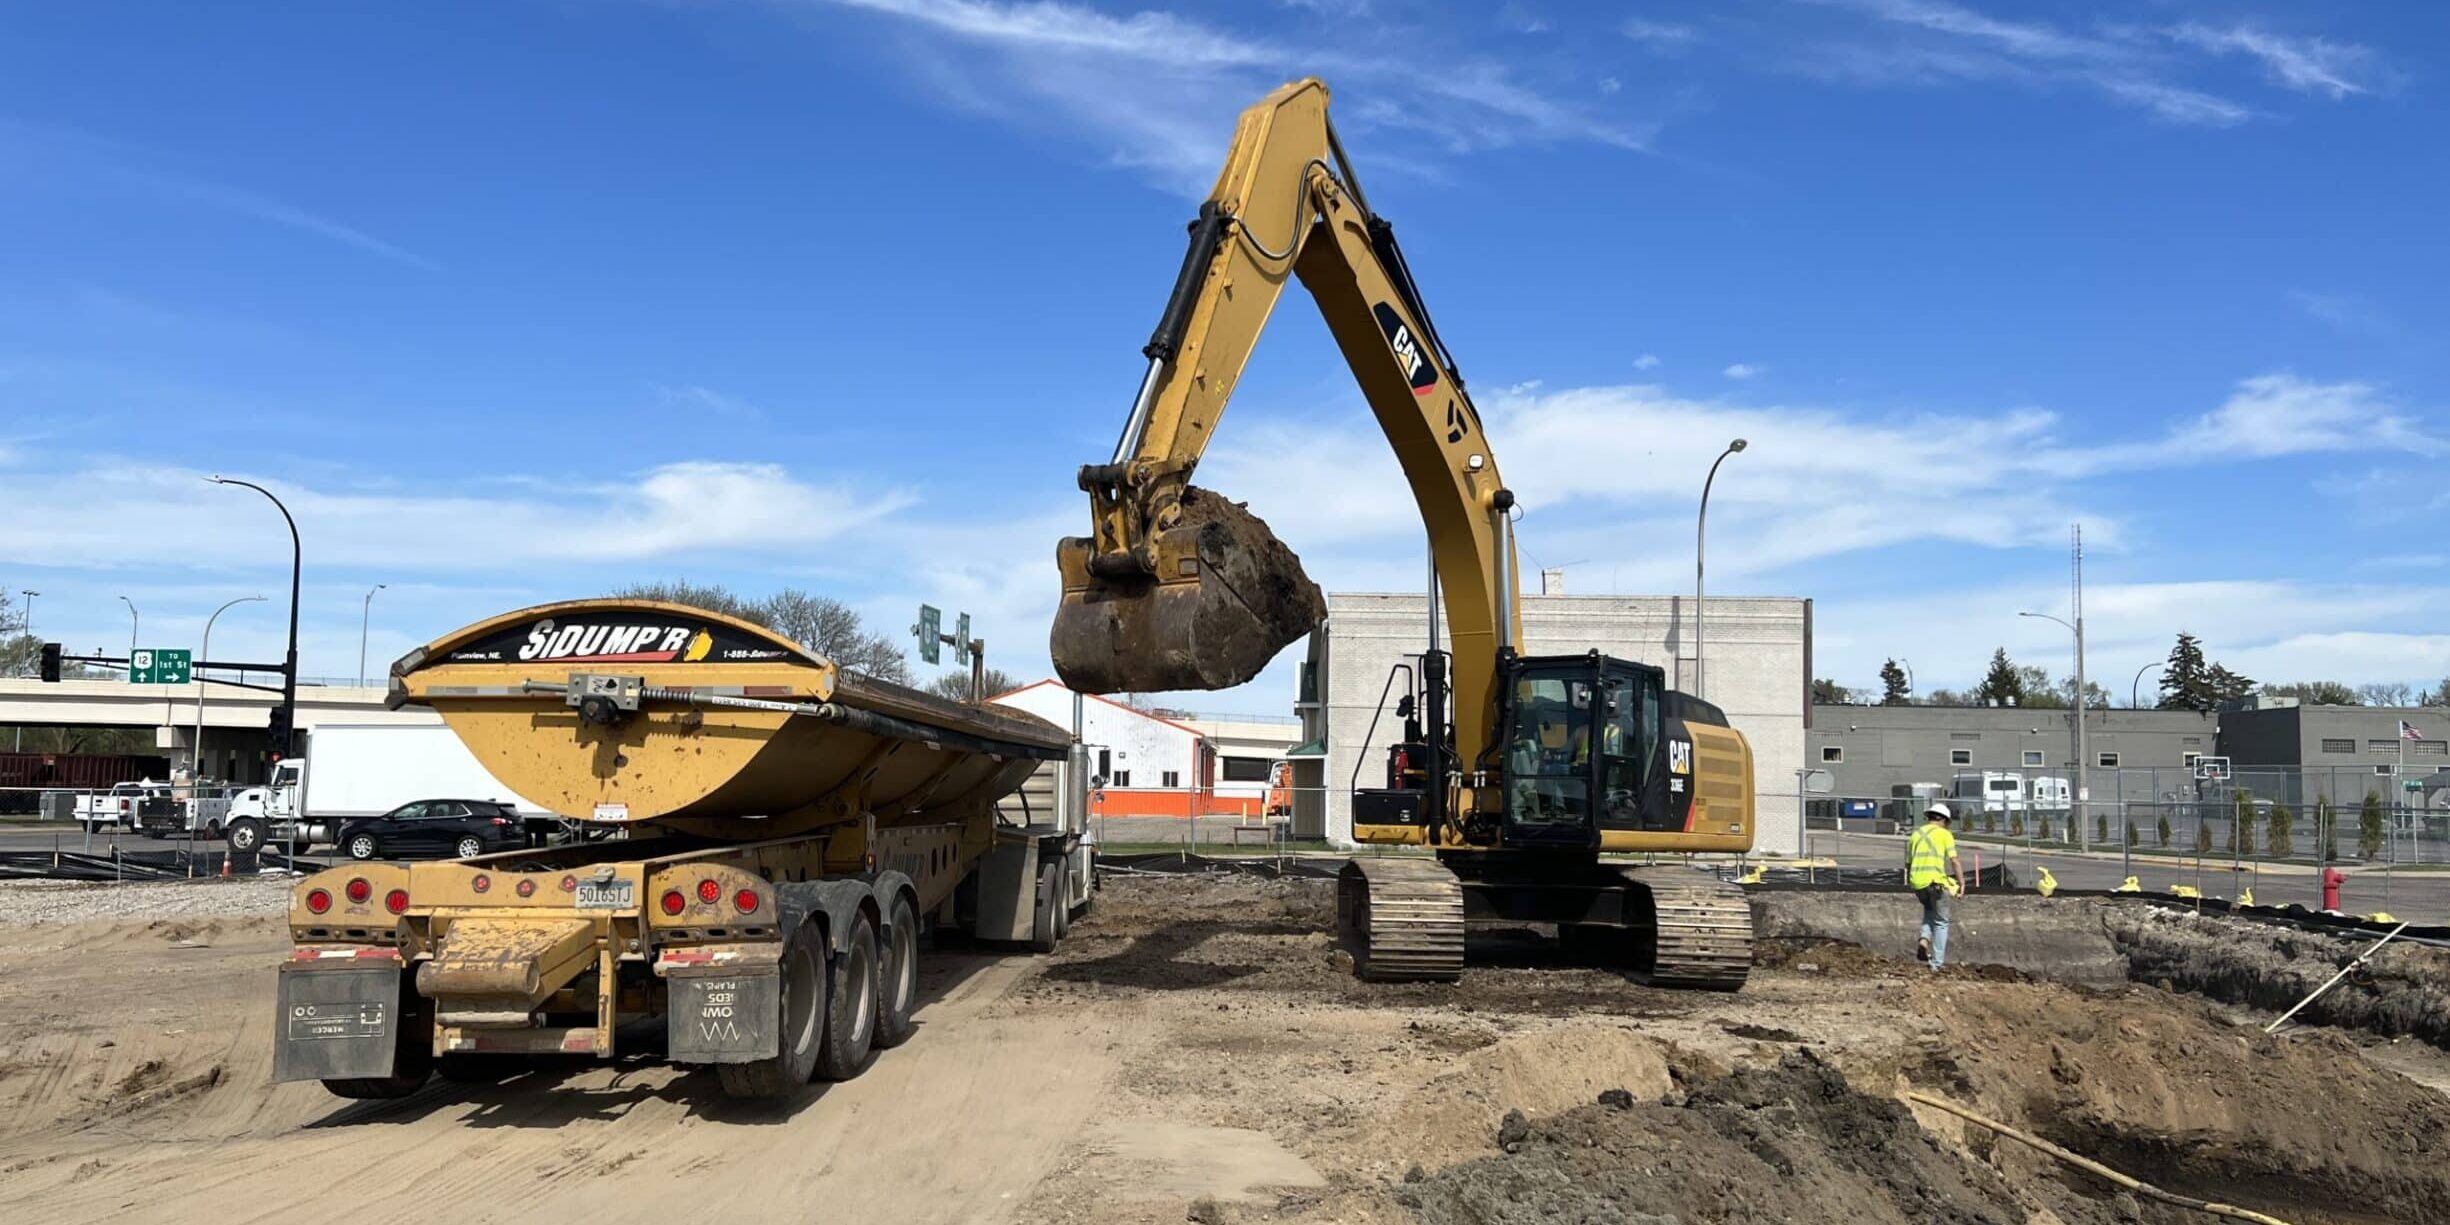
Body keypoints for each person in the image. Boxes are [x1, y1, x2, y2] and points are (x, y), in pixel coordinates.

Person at [1909, 802, 1964, 970]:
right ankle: (1937, 964)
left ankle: (1924, 940)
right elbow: (1954, 861)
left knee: (1929, 911)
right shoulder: (1944, 834)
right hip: (1936, 883)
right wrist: (1961, 883)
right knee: (1941, 922)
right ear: (1945, 820)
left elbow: (1908, 863)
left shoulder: (1915, 834)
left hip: (1918, 883)